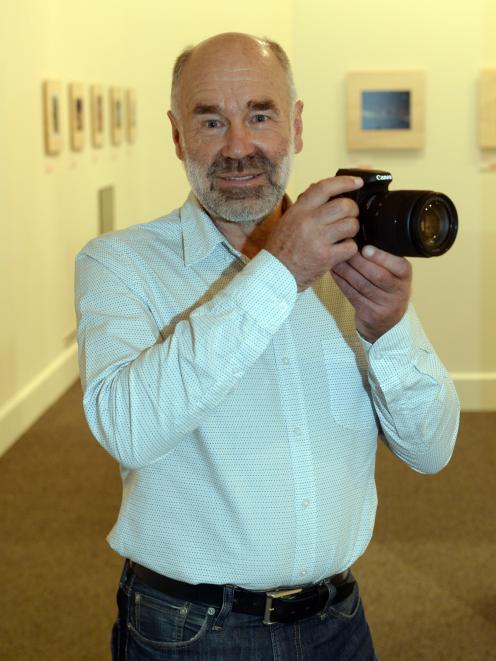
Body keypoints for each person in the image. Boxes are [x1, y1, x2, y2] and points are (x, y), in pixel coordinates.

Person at [75, 32, 460, 661]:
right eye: (210, 120)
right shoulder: (120, 264)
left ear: (297, 125)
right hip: (191, 632)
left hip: (340, 622)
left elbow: (433, 449)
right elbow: (128, 428)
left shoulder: (349, 270)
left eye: (260, 114)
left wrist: (389, 327)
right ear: (177, 136)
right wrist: (279, 273)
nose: (238, 147)